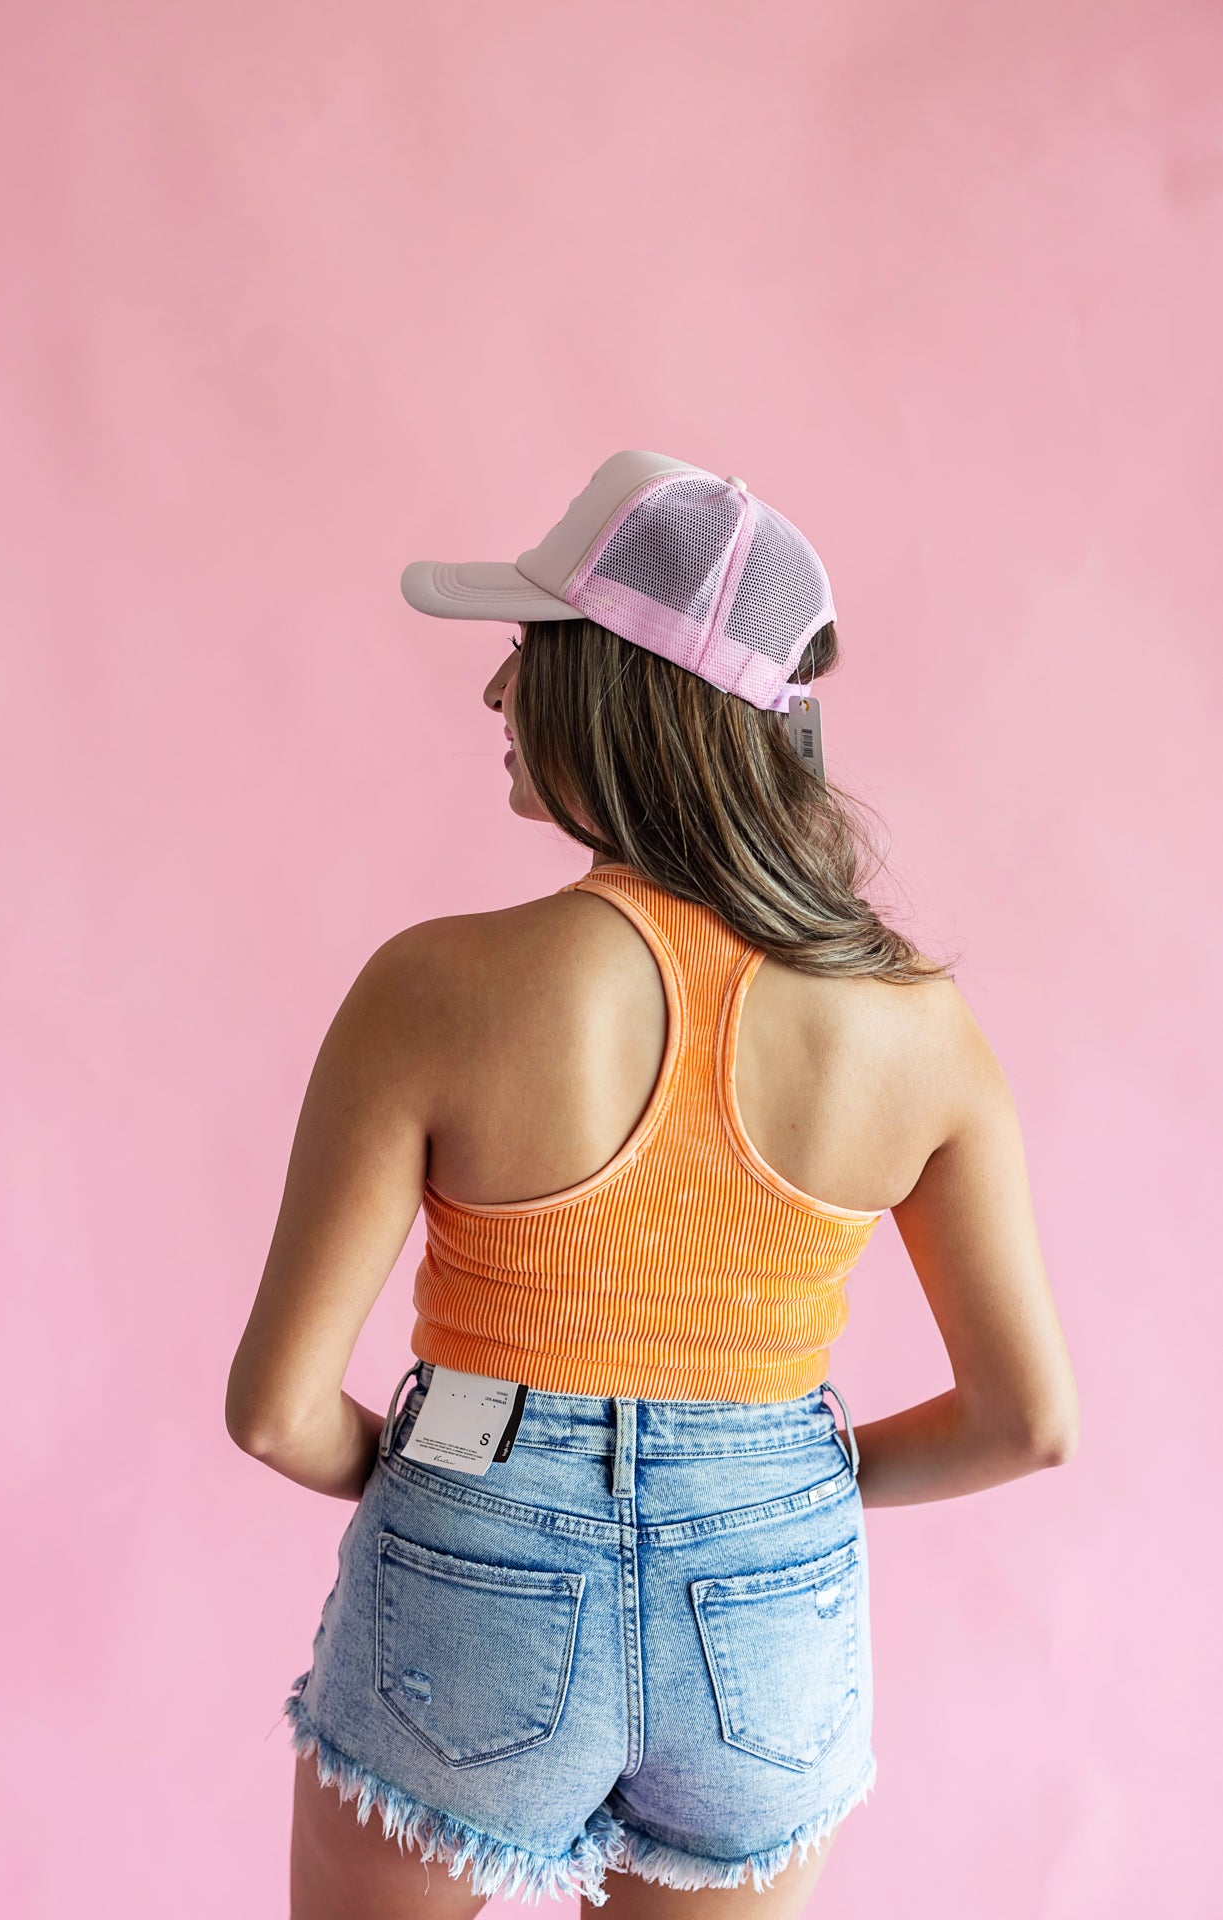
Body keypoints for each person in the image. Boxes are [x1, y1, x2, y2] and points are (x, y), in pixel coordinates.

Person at [226, 451, 1080, 1919]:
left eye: (522, 656)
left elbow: (277, 1413)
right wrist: (752, 1494)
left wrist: (472, 1500)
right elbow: (1024, 1421)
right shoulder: (917, 1027)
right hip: (768, 1603)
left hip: (471, 1557)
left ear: (611, 691)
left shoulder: (436, 986)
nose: (497, 698)